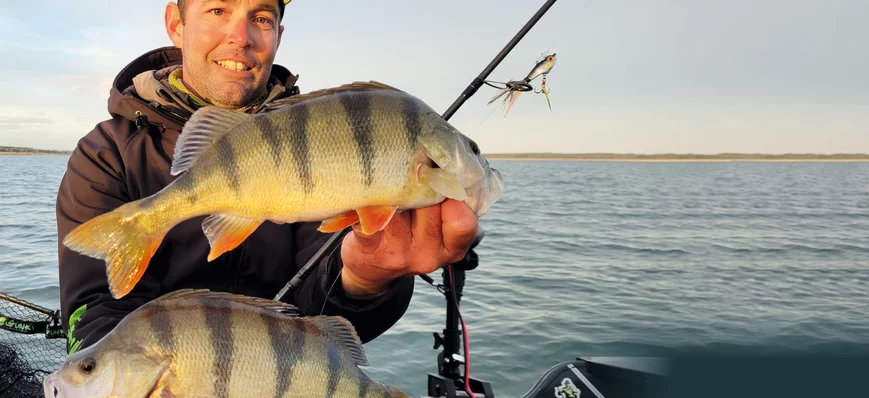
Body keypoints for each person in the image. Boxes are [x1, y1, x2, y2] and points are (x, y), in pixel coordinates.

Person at [55, 0, 479, 355]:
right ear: (176, 23)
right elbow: (92, 314)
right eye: (218, 9)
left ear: (278, 34)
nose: (241, 36)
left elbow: (332, 325)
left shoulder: (320, 135)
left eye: (261, 17)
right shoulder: (106, 154)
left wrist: (366, 280)